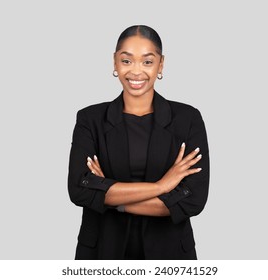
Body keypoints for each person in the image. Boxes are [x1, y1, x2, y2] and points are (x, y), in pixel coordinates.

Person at [68, 25, 210, 260]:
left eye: (147, 61)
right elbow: (79, 190)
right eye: (126, 61)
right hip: (102, 254)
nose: (136, 71)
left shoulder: (188, 119)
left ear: (161, 64)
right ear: (115, 62)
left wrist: (110, 197)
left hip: (170, 255)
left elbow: (192, 201)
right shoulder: (89, 119)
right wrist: (162, 187)